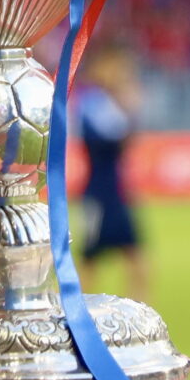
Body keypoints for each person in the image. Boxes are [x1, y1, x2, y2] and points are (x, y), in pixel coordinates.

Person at [74, 44, 150, 303]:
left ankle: (139, 309)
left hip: (116, 191)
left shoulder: (107, 103)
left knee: (136, 255)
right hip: (98, 191)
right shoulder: (91, 102)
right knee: (89, 257)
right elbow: (110, 140)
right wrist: (129, 110)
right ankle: (79, 309)